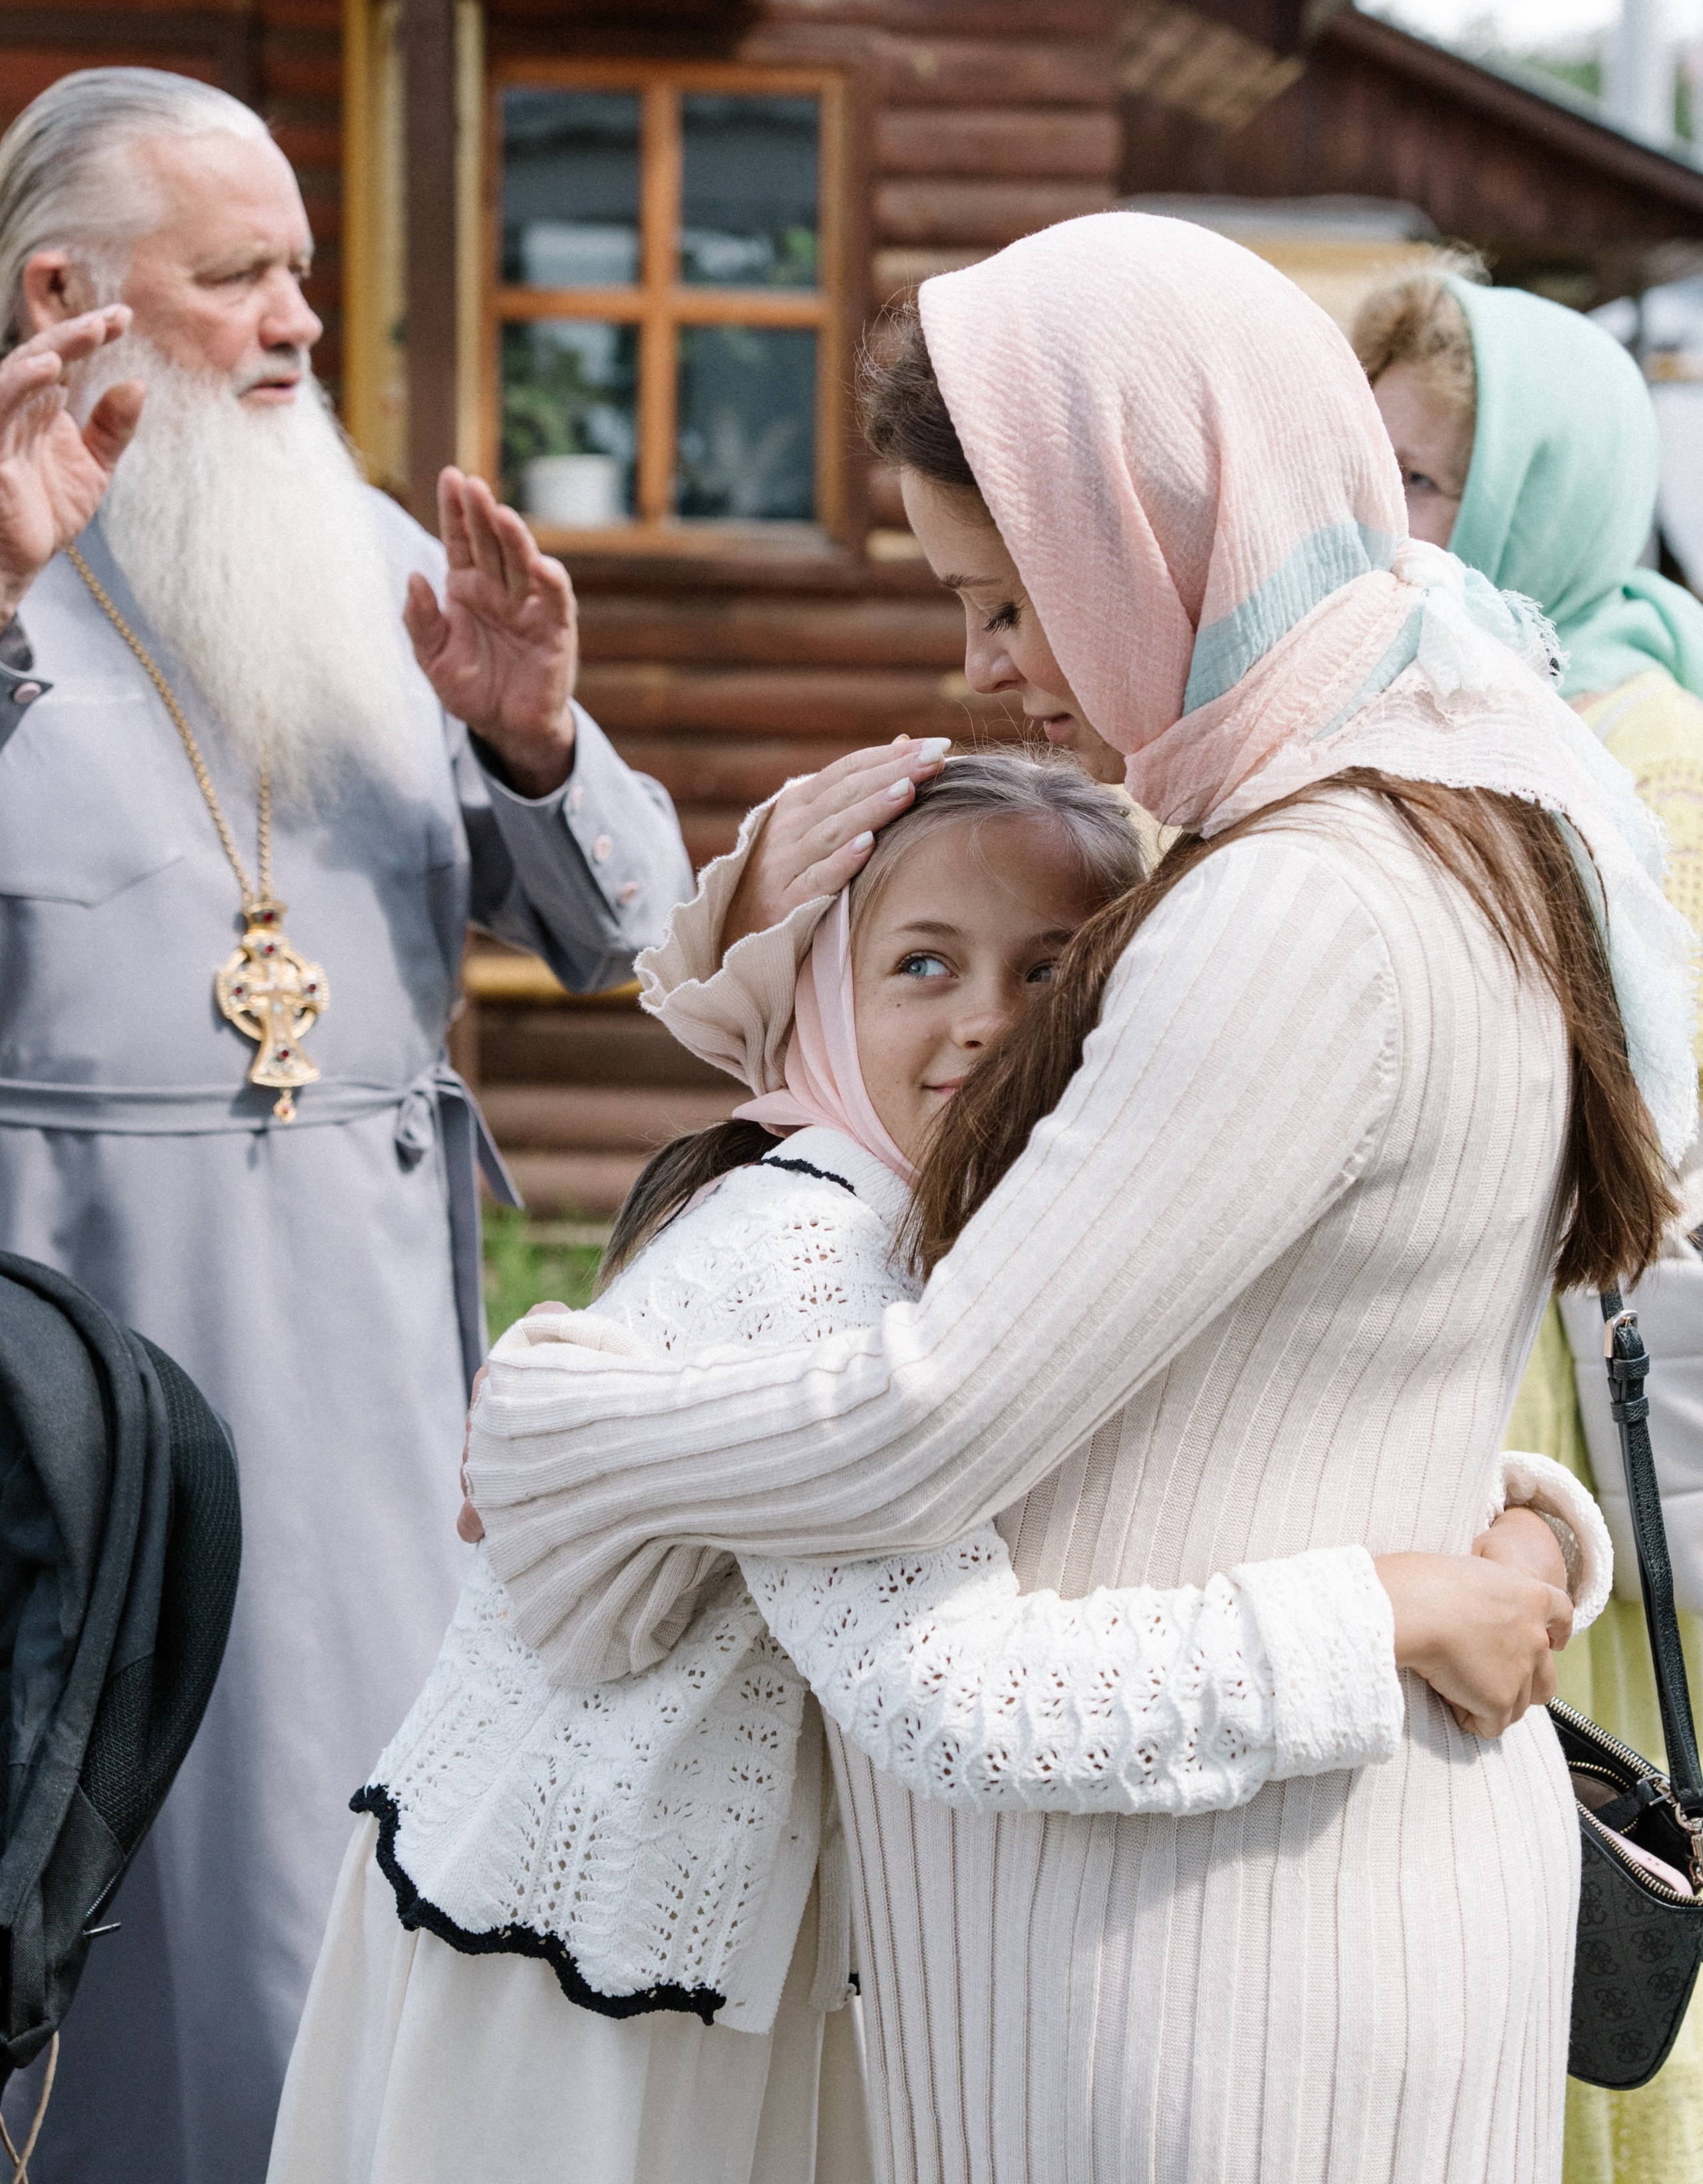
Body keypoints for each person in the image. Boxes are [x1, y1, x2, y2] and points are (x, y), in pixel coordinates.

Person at [459, 212, 1702, 2183]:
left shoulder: (1298, 903)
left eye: (1010, 601)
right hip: (1265, 1903)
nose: (985, 669)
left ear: (1158, 529)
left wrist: (566, 1423)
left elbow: (938, 1417)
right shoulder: (1435, 815)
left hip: (1198, 1965)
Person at [275, 752, 1593, 2184]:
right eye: (920, 965)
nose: (987, 1023)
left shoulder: (978, 1258)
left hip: (738, 1987)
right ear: (825, 1008)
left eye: (1051, 975)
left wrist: (1530, 1532)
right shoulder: (814, 1260)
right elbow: (959, 1692)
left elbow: (1237, 1437)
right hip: (583, 2015)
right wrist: (1383, 1617)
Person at [0, 65, 710, 2184]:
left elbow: (633, 933)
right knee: (117, 1926)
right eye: (242, 279)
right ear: (70, 293)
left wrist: (534, 732)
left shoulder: (381, 552)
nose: (304, 321)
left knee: (362, 1907)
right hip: (83, 1400)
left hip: (383, 1409)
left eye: (302, 269)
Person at [1354, 266, 1703, 2183]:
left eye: (1433, 485)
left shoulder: (1639, 738)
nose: (1390, 527)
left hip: (1573, 1399)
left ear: (1538, 500)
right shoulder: (1404, 701)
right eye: (1373, 474)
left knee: (1595, 1869)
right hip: (1464, 1371)